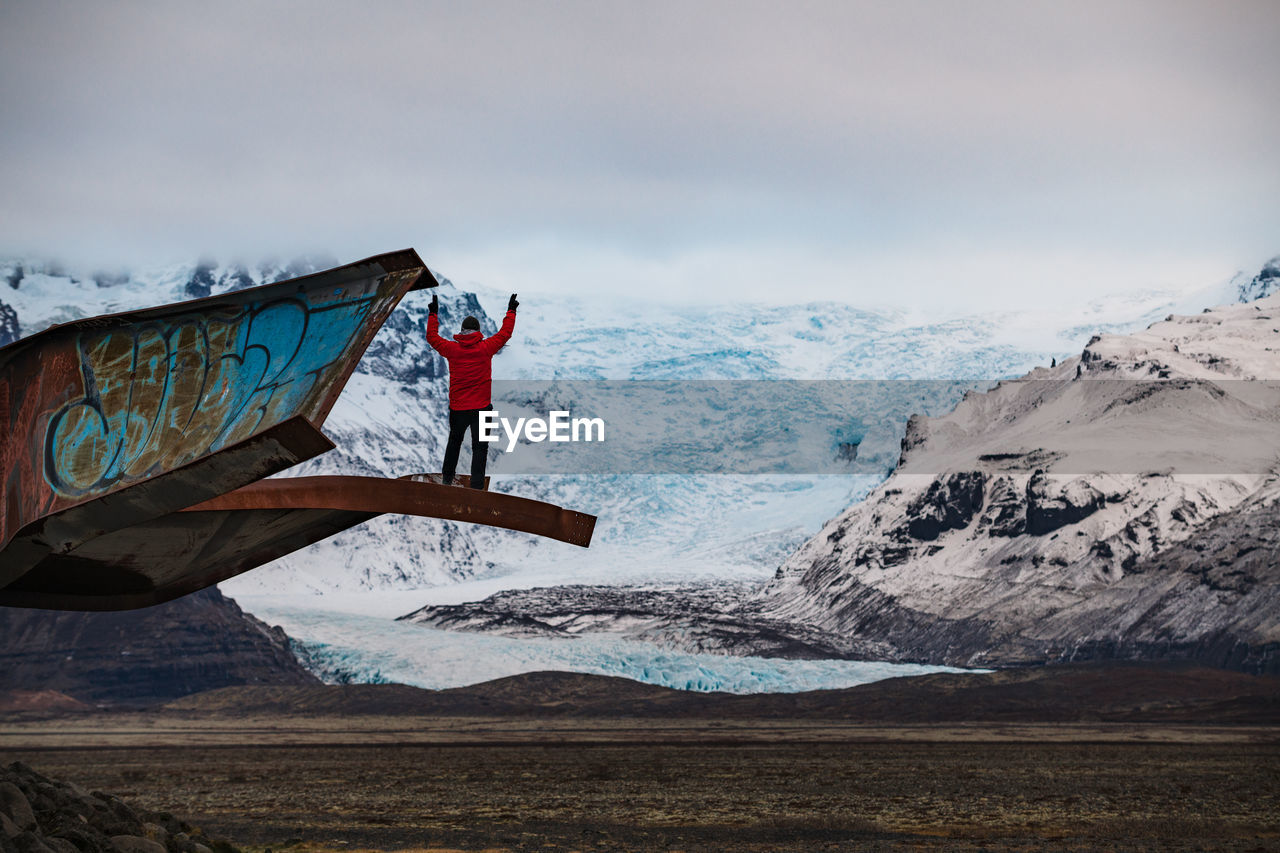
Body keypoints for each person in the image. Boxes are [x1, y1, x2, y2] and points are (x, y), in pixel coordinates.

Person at [426, 292, 519, 488]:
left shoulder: (451, 349)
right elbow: (505, 334)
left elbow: (432, 337)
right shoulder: (486, 348)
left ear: (462, 331)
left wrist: (433, 314)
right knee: (480, 448)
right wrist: (511, 311)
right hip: (482, 409)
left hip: (458, 409)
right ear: (477, 331)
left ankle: (447, 480)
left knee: (454, 442)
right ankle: (476, 487)